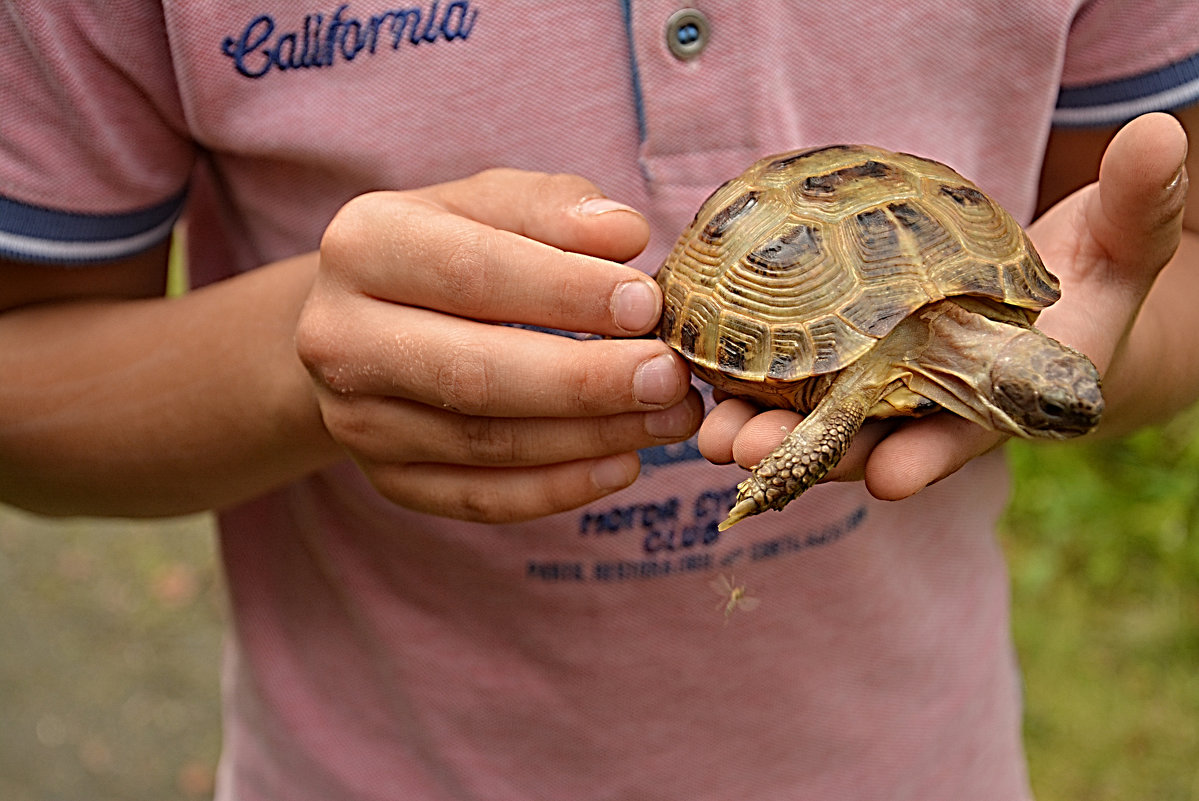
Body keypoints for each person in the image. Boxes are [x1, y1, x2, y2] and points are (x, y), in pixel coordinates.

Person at [1, 2, 1197, 798]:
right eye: (1041, 403)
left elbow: (1155, 267)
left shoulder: (979, 335)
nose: (1049, 409)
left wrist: (1123, 330)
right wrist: (296, 360)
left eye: (1043, 402)